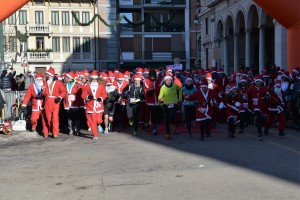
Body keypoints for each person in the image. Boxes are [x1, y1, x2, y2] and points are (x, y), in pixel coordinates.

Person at [42, 66, 67, 138]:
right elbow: (44, 94)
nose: (46, 76)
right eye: (46, 75)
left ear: (51, 76)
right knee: (48, 118)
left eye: (48, 75)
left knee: (55, 117)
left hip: (55, 101)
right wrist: (42, 90)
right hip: (47, 102)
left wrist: (59, 97)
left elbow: (64, 91)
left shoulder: (58, 83)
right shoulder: (45, 83)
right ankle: (51, 129)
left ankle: (55, 133)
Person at [81, 71, 107, 140]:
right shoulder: (87, 86)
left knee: (98, 120)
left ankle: (98, 125)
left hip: (99, 105)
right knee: (93, 121)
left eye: (95, 79)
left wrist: (101, 98)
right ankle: (95, 135)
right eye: (93, 79)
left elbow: (104, 94)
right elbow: (83, 95)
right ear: (91, 79)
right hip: (90, 104)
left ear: (97, 79)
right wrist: (87, 97)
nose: (94, 80)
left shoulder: (101, 86)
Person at [158, 74, 182, 140]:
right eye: (167, 80)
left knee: (172, 116)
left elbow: (180, 89)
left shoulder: (174, 86)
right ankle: (168, 133)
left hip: (174, 103)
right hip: (166, 104)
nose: (168, 81)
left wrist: (180, 98)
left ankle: (172, 124)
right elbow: (160, 96)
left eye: (170, 80)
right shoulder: (163, 87)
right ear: (165, 81)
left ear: (171, 81)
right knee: (166, 119)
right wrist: (160, 99)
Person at [246, 74, 269, 141]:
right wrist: (245, 96)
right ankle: (259, 134)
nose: (258, 83)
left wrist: (267, 96)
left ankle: (256, 119)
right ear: (255, 82)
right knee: (258, 118)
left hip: (262, 106)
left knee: (261, 119)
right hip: (254, 105)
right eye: (257, 82)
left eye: (259, 82)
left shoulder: (264, 88)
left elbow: (268, 95)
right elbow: (247, 93)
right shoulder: (252, 88)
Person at [143, 69, 162, 135]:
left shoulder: (159, 81)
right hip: (150, 101)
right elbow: (145, 90)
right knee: (152, 115)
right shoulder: (146, 81)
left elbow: (160, 88)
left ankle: (154, 126)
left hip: (158, 101)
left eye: (153, 77)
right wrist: (147, 92)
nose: (152, 78)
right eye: (151, 77)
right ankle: (154, 128)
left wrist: (154, 90)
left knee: (156, 115)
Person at [64, 71, 81, 135]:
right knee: (69, 117)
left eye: (68, 77)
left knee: (76, 117)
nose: (66, 78)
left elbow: (79, 94)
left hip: (75, 102)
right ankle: (70, 129)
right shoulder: (66, 84)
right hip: (68, 102)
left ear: (71, 78)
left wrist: (80, 103)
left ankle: (77, 129)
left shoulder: (76, 84)